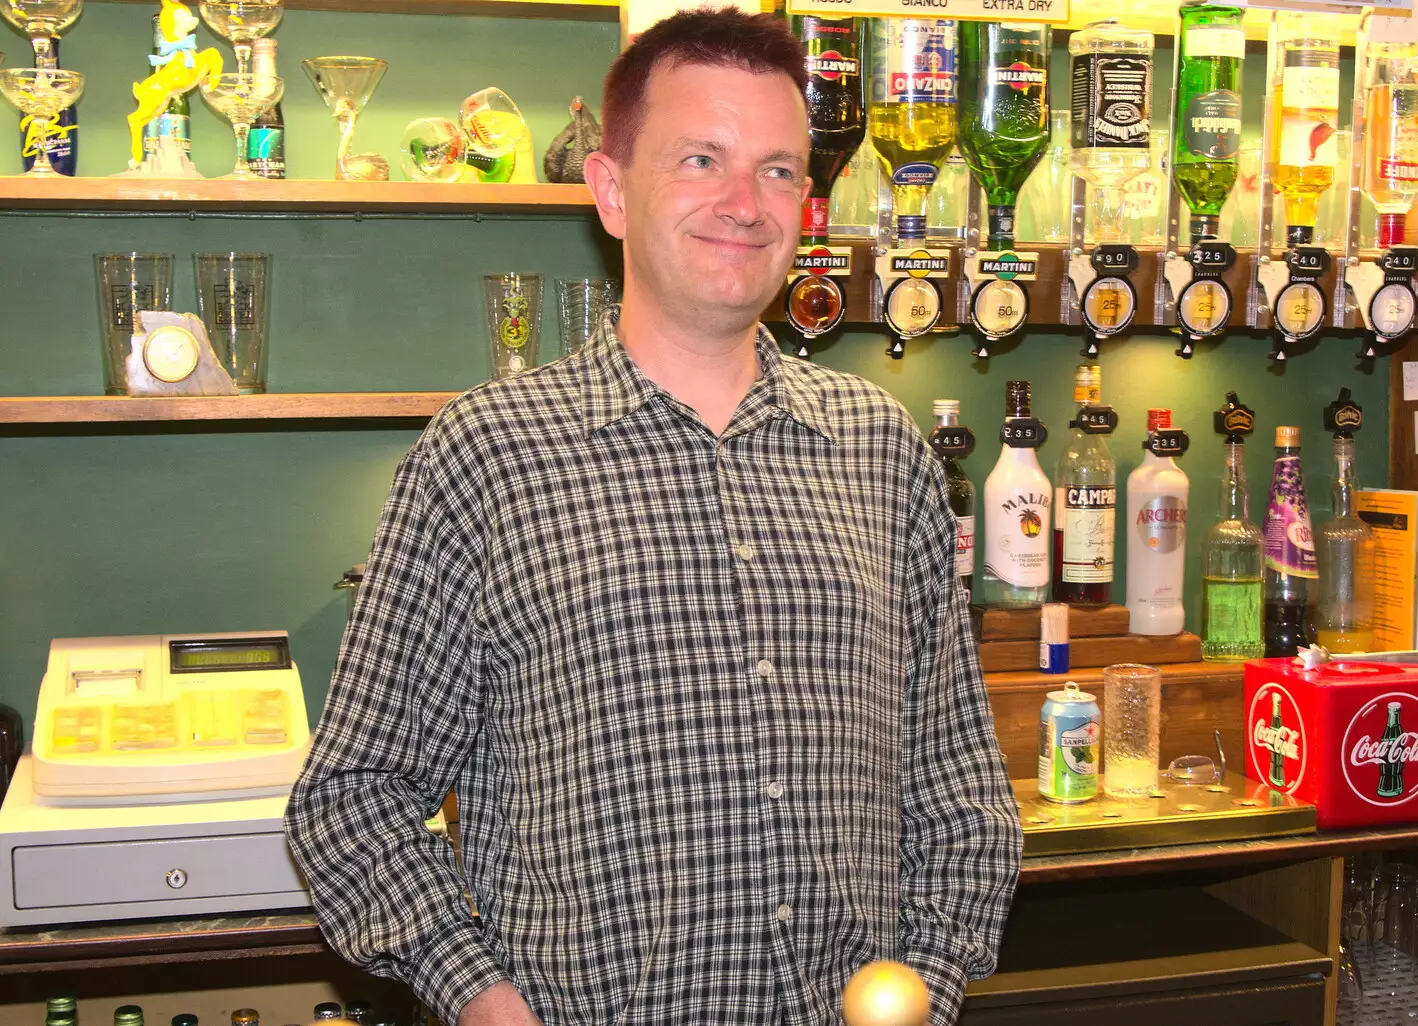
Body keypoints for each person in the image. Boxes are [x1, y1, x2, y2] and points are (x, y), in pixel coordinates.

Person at [284, 9, 1021, 1026]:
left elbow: (957, 790)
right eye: (699, 159)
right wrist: (482, 1001)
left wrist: (928, 990)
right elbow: (352, 800)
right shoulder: (488, 456)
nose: (743, 203)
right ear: (610, 191)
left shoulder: (879, 449)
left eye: (775, 171)